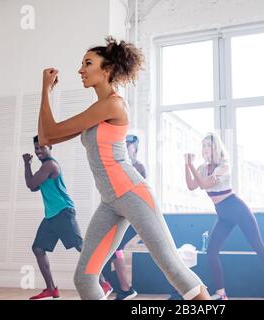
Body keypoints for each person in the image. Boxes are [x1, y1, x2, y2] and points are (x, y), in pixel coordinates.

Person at [36, 36, 210, 300]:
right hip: (109, 202)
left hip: (132, 192)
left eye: (88, 63)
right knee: (84, 278)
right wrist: (45, 92)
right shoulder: (95, 109)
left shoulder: (113, 104)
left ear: (106, 70)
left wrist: (45, 89)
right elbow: (47, 136)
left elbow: (49, 132)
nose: (80, 69)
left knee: (172, 266)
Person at [185, 132, 264, 300]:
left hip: (238, 209)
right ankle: (222, 294)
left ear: (216, 147)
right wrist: (187, 164)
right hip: (223, 216)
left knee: (260, 248)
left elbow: (204, 184)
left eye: (209, 145)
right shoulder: (202, 168)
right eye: (204, 145)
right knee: (211, 252)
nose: (206, 148)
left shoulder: (224, 165)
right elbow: (192, 186)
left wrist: (191, 165)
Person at [23, 136, 111, 299]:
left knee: (81, 247)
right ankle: (51, 289)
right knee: (38, 249)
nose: (38, 151)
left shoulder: (50, 165)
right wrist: (30, 170)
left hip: (63, 212)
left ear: (50, 146)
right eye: (36, 148)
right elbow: (33, 187)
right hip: (51, 216)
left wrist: (27, 164)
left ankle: (103, 283)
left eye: (41, 147)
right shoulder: (44, 168)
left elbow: (30, 183)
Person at [101, 134, 146, 300]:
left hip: (135, 216)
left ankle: (125, 289)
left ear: (135, 148)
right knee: (113, 248)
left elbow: (139, 193)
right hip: (121, 214)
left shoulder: (139, 167)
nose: (126, 147)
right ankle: (122, 288)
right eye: (124, 144)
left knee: (116, 247)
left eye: (129, 145)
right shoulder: (120, 166)